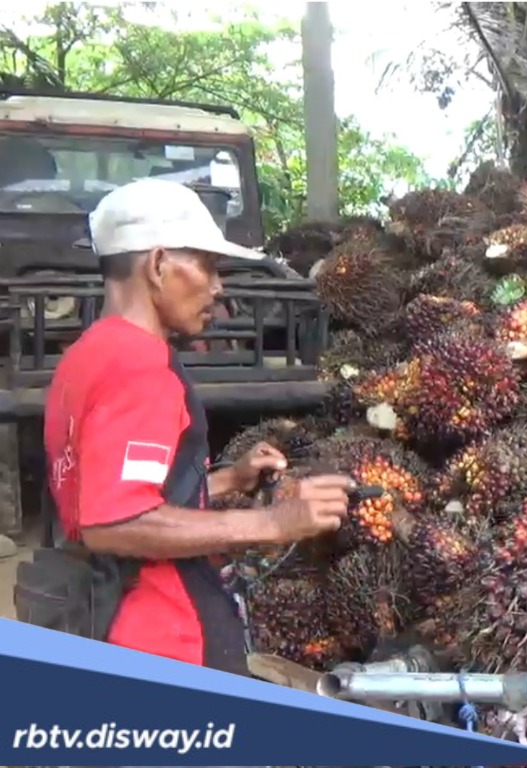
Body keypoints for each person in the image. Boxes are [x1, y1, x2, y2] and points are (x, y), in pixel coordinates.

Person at [39, 177, 356, 676]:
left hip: (103, 616)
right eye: (206, 265)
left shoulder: (85, 356)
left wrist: (228, 480)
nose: (217, 286)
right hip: (159, 641)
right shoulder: (139, 367)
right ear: (159, 265)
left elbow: (114, 490)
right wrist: (275, 523)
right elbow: (114, 522)